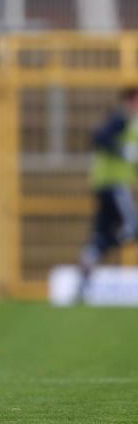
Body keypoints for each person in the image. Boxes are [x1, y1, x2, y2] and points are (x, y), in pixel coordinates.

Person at [78, 87, 138, 300]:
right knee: (133, 228)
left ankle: (89, 262)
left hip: (106, 185)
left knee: (102, 232)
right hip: (115, 186)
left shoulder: (128, 123)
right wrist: (121, 151)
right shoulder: (121, 119)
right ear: (130, 101)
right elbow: (100, 136)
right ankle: (99, 247)